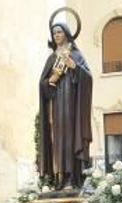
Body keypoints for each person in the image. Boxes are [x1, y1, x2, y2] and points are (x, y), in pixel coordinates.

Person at [38, 22, 93, 189]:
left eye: (59, 32)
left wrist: (74, 67)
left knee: (70, 138)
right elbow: (42, 84)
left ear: (67, 34)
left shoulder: (75, 54)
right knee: (57, 140)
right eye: (54, 33)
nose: (56, 35)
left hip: (71, 105)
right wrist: (51, 80)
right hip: (55, 105)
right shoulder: (51, 58)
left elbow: (88, 78)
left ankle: (71, 176)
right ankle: (58, 178)